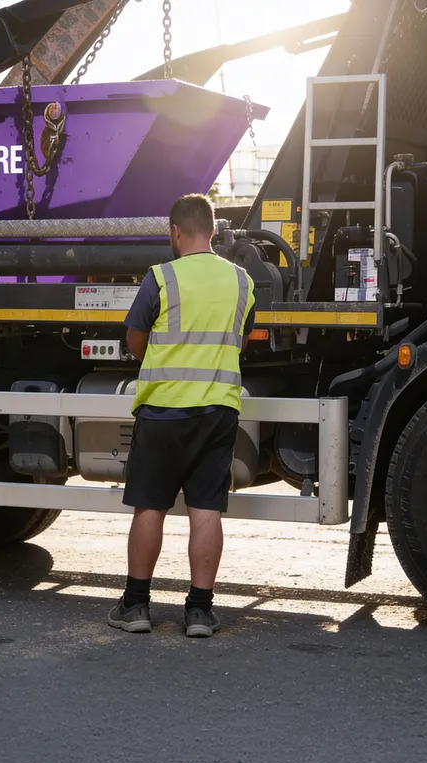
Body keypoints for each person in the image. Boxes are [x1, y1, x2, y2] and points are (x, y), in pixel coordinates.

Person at [108, 193, 255, 639]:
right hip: (217, 411)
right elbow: (240, 342)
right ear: (213, 230)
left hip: (162, 410)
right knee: (206, 508)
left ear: (175, 232)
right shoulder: (242, 281)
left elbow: (135, 338)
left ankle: (135, 606)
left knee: (150, 506)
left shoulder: (160, 278)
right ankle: (199, 612)